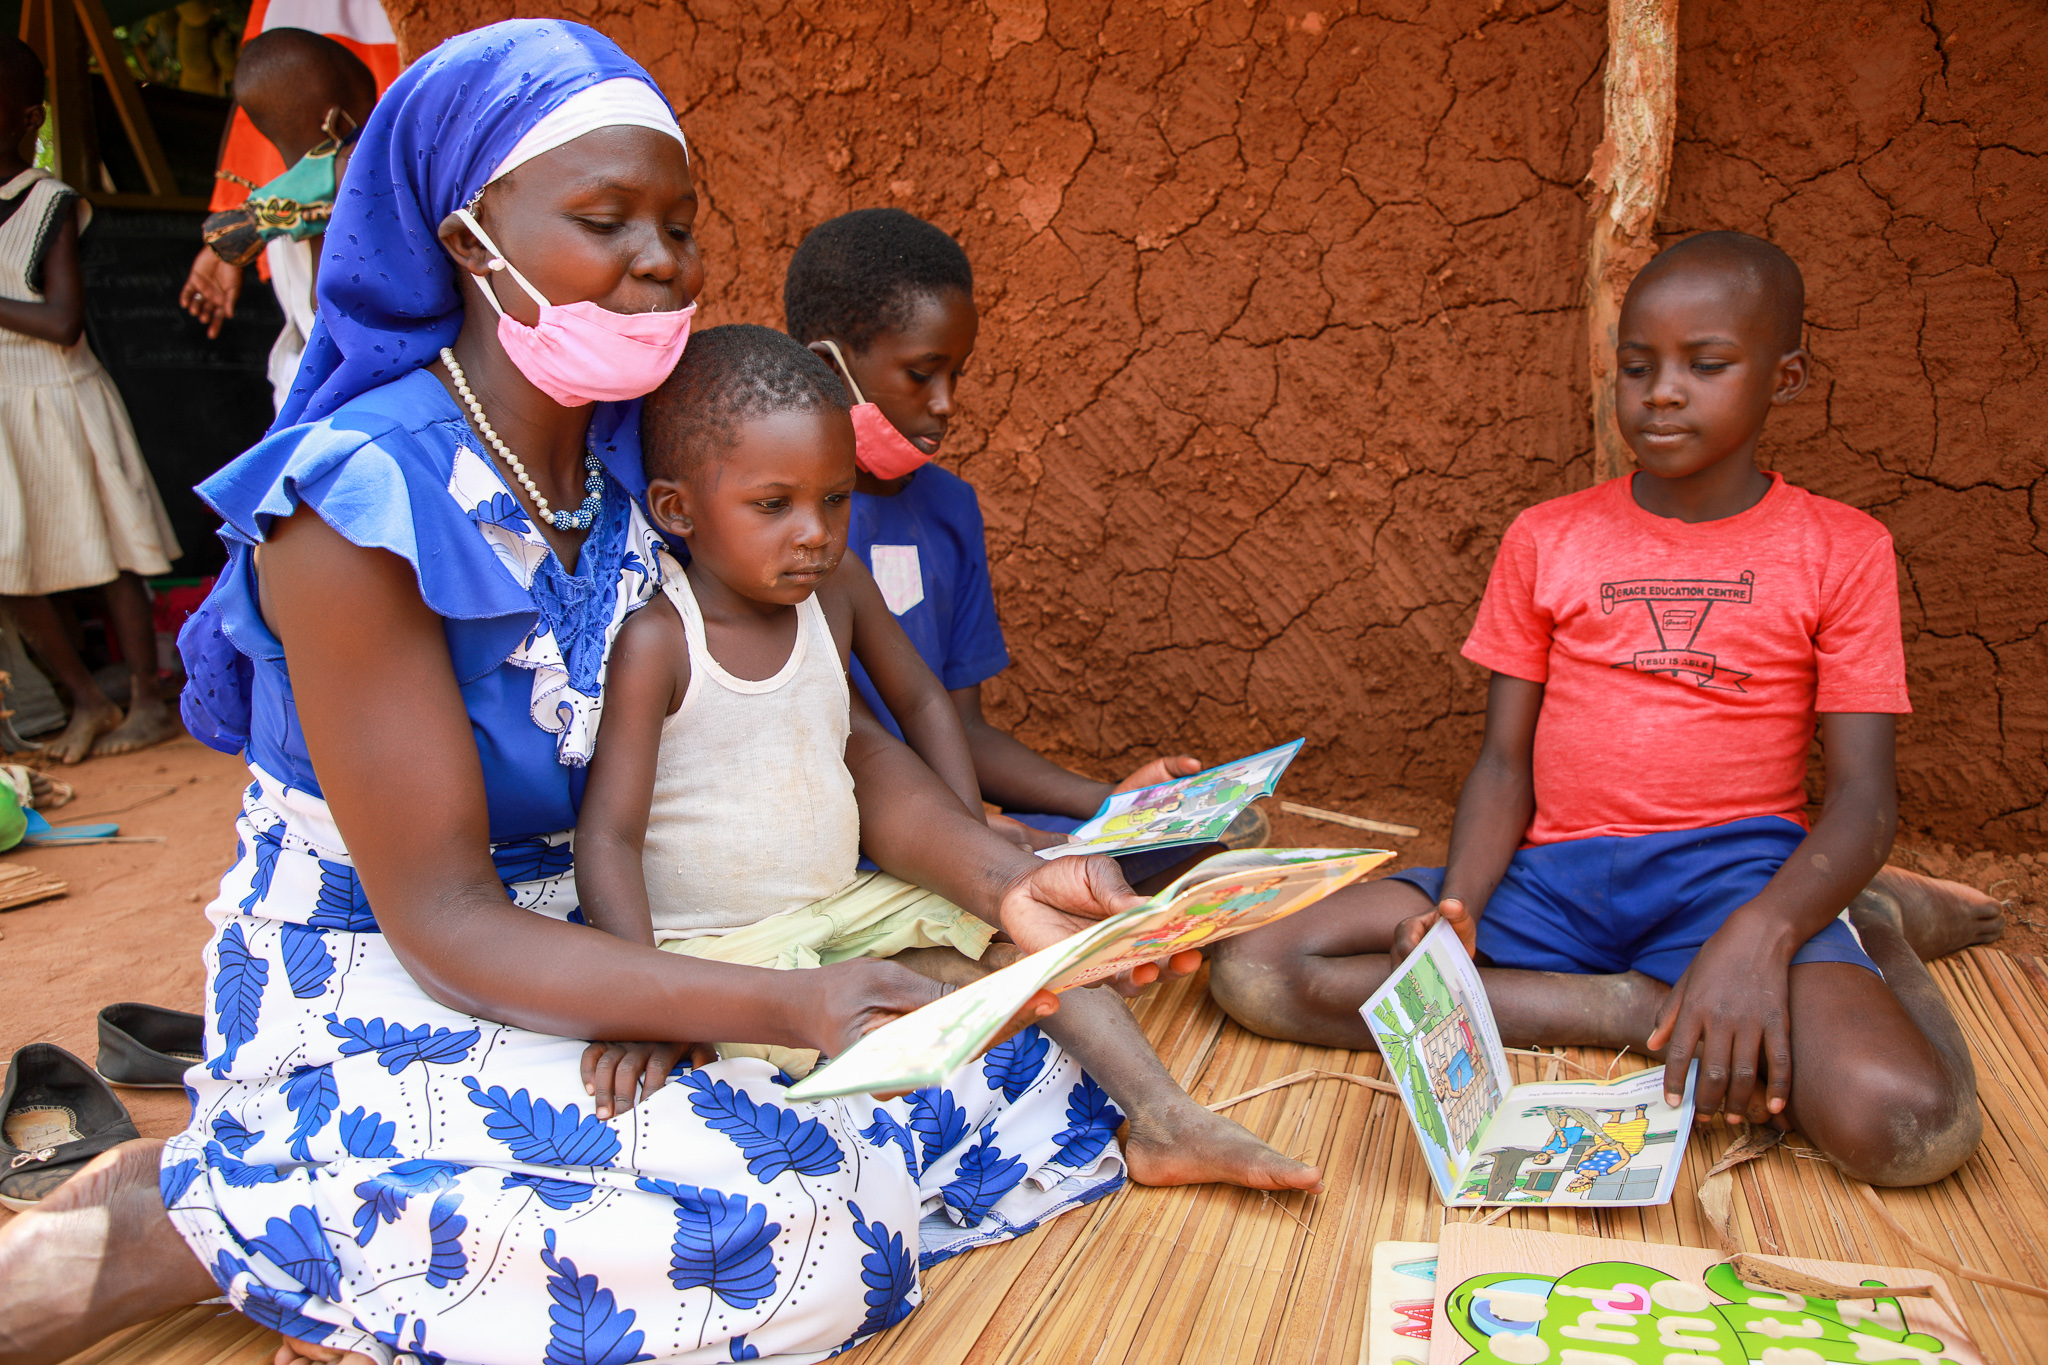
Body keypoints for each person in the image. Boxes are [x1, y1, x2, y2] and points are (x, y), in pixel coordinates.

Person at [0, 22, 1204, 1365]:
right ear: (468, 238)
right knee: (797, 1230)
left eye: (680, 225)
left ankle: (302, 1219)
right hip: (391, 978)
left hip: (600, 927)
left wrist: (1005, 880)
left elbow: (845, 736)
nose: (658, 260)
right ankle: (226, 1208)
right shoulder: (361, 503)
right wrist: (779, 1007)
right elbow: (451, 921)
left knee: (1007, 1076)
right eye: (605, 218)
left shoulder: (646, 473)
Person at [1209, 231, 2004, 1188]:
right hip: (1549, 883)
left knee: (1913, 1128)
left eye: (1705, 365)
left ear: (1784, 376)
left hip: (1736, 881)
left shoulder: (1842, 549)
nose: (1662, 391)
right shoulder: (1550, 538)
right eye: (1639, 366)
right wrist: (1460, 903)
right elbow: (1506, 762)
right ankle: (1642, 1009)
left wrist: (1763, 933)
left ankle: (1870, 923)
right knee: (1259, 967)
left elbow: (1866, 801)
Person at [569, 322, 1325, 1205]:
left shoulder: (835, 591)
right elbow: (608, 839)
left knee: (1031, 946)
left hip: (846, 902)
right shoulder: (660, 641)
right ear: (676, 508)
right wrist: (647, 997)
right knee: (942, 1002)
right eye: (774, 505)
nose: (815, 533)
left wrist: (976, 843)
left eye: (836, 499)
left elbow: (926, 702)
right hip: (725, 949)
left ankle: (1165, 1118)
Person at [784, 208, 1213, 866]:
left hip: (953, 808)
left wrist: (1109, 803)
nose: (946, 402)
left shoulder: (949, 509)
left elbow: (963, 727)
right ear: (828, 366)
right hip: (839, 830)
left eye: (958, 373)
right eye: (921, 373)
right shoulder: (780, 528)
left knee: (1169, 855)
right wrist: (970, 825)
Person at [0, 38, 182, 764]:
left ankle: (145, 698)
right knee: (10, 567)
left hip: (58, 398)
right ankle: (86, 697)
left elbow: (61, 322)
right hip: (7, 405)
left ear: (28, 116)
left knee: (110, 558)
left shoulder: (49, 202)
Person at [179, 28, 377, 409]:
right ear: (337, 123)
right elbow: (335, 318)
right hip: (347, 402)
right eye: (370, 115)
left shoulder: (273, 216)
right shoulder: (332, 207)